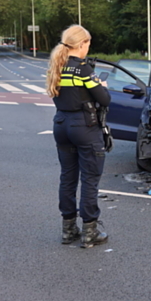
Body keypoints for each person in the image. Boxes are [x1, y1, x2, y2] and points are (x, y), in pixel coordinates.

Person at [46, 25, 110, 248]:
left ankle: (68, 229)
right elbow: (104, 99)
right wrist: (102, 85)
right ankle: (90, 231)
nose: (88, 48)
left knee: (68, 177)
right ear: (82, 44)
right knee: (90, 179)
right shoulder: (83, 69)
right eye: (88, 44)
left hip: (61, 124)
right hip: (84, 126)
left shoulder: (57, 66)